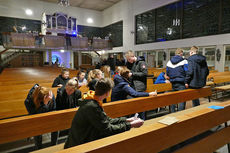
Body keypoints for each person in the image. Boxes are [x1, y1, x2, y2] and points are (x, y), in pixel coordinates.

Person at [64, 78, 144, 149]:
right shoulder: (92, 105)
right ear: (108, 92)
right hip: (78, 145)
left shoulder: (93, 100)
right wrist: (130, 125)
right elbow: (107, 129)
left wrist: (127, 120)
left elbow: (106, 120)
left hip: (83, 139)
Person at [24, 84, 58, 149]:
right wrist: (45, 103)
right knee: (37, 128)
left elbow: (53, 109)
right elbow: (36, 116)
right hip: (36, 117)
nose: (50, 97)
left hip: (48, 114)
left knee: (55, 125)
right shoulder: (28, 101)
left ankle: (54, 145)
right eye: (47, 97)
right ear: (40, 99)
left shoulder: (50, 94)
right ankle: (39, 148)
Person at [125, 50, 148, 119]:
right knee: (135, 104)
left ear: (133, 56)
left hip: (140, 86)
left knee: (141, 105)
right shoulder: (131, 63)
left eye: (129, 59)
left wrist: (133, 74)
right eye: (127, 60)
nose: (128, 61)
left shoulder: (141, 62)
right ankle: (136, 119)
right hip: (133, 86)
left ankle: (142, 119)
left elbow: (145, 73)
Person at [166, 48, 188, 112]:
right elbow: (187, 71)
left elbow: (167, 73)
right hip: (181, 83)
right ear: (181, 53)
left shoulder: (169, 62)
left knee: (173, 99)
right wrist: (186, 81)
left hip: (172, 83)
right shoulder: (184, 61)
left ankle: (173, 113)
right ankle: (180, 114)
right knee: (182, 99)